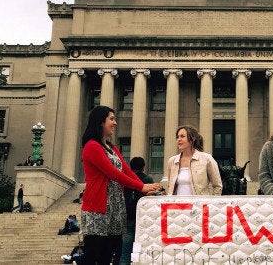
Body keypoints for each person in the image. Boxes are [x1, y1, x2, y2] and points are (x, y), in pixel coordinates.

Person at [80, 105, 161, 264]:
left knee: (109, 255)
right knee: (93, 255)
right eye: (111, 119)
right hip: (98, 209)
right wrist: (140, 187)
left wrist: (145, 187)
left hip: (116, 209)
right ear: (100, 122)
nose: (115, 123)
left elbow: (126, 170)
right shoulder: (92, 146)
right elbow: (113, 173)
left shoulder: (112, 148)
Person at [167, 125, 223, 195]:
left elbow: (217, 186)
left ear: (193, 139)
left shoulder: (206, 159)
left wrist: (209, 204)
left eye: (182, 136)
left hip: (198, 204)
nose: (179, 139)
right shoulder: (172, 161)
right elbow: (170, 186)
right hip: (177, 204)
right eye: (177, 137)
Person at [120, 157, 154, 265]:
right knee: (144, 252)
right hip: (143, 219)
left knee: (125, 252)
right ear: (143, 167)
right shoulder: (148, 180)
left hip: (127, 216)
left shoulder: (125, 179)